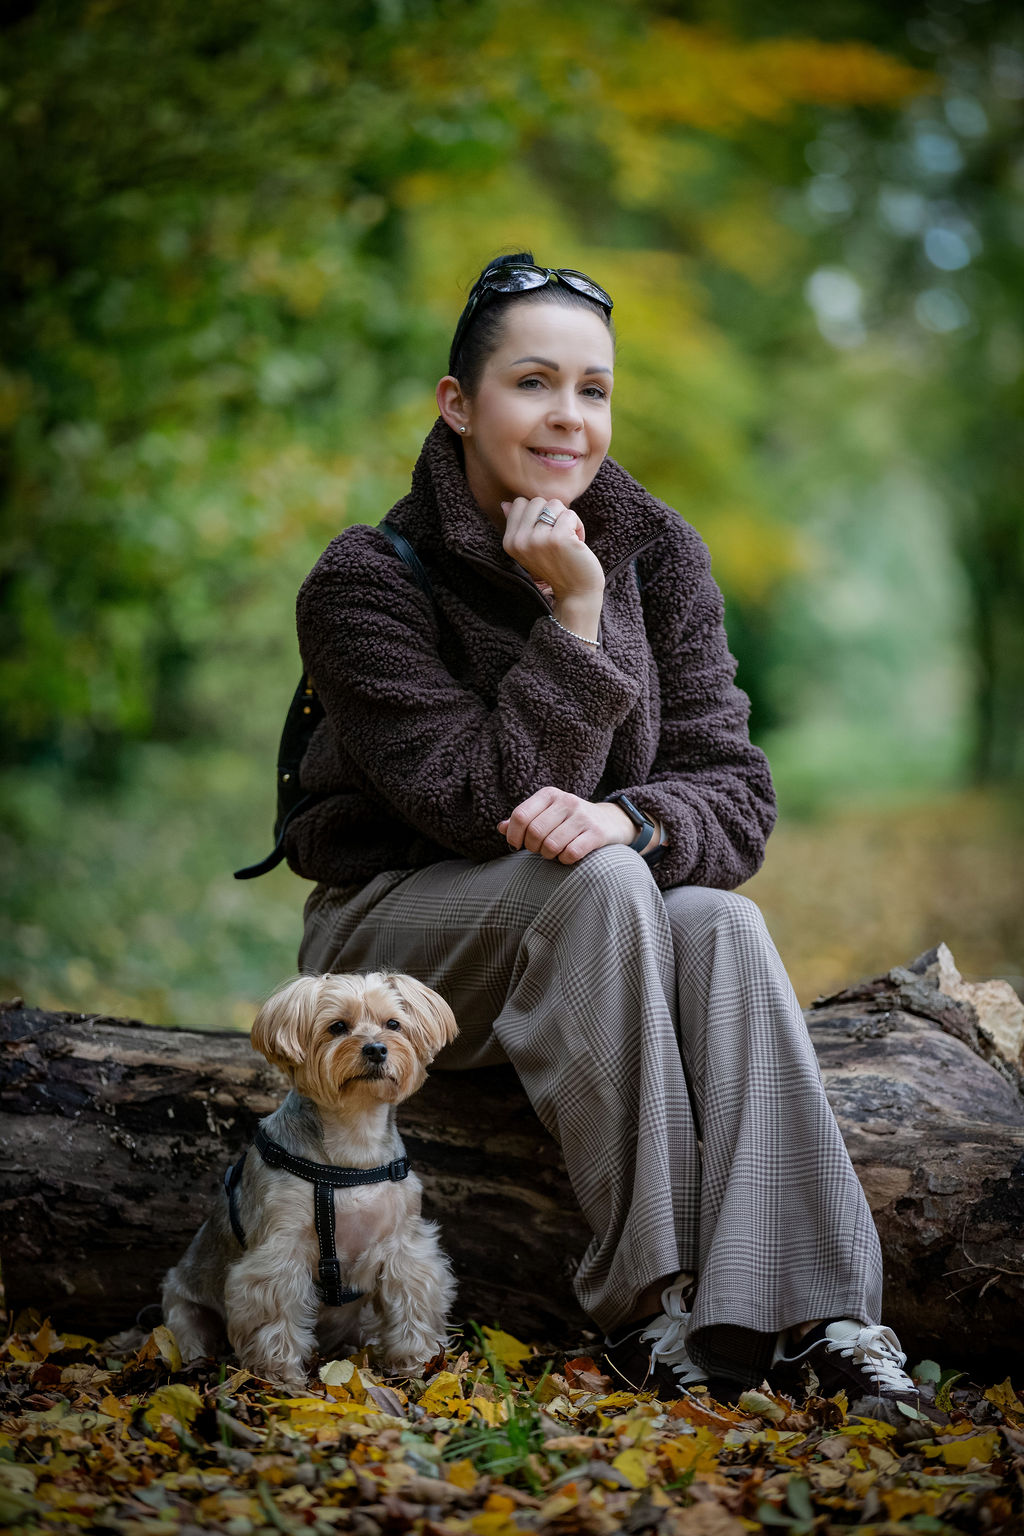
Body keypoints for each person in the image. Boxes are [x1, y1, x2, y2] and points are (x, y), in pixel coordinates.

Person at [286, 251, 929, 1412]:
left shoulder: (661, 554)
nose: (568, 419)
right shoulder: (366, 582)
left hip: (590, 915)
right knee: (604, 885)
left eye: (593, 390)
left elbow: (734, 791)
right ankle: (652, 1305)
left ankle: (819, 1312)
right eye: (533, 383)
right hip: (388, 948)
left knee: (719, 920)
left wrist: (631, 816)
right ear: (458, 404)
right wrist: (575, 623)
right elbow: (471, 801)